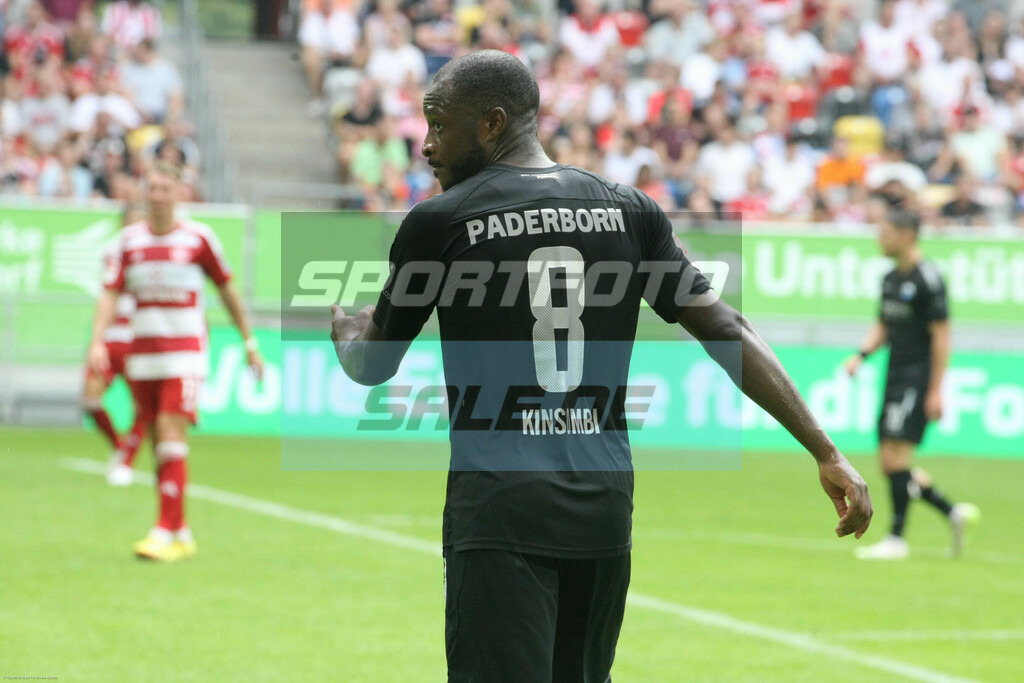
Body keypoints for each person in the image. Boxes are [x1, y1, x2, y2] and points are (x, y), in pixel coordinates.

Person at [330, 50, 871, 681]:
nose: (426, 145)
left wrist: (347, 333)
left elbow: (372, 364)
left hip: (500, 511)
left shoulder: (439, 221)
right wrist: (825, 450)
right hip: (603, 511)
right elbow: (728, 329)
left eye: (439, 125)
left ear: (492, 123)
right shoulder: (629, 209)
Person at [88, 161, 264, 562]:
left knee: (170, 431)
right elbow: (110, 294)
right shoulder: (128, 242)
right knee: (158, 441)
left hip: (185, 355)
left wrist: (249, 342)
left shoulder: (199, 239)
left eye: (165, 189)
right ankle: (180, 530)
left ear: (180, 194)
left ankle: (164, 530)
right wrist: (98, 341)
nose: (157, 196)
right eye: (152, 188)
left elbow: (227, 291)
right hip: (143, 355)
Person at [845, 209, 978, 561]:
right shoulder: (890, 279)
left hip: (917, 378)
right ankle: (952, 512)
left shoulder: (928, 279)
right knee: (891, 464)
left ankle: (896, 538)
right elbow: (883, 324)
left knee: (896, 458)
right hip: (894, 374)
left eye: (885, 232)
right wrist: (861, 355)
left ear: (906, 235)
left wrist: (935, 389)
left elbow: (942, 336)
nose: (879, 238)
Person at [82, 203, 148, 487]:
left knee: (143, 405)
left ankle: (127, 461)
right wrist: (96, 338)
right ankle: (120, 446)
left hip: (138, 337)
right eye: (131, 222)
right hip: (111, 338)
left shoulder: (152, 249)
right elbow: (107, 294)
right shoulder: (113, 251)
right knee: (90, 398)